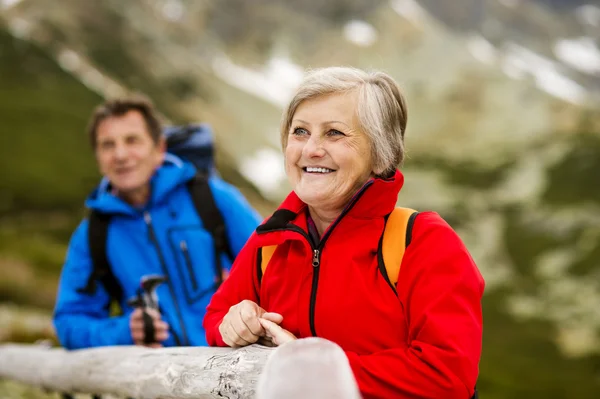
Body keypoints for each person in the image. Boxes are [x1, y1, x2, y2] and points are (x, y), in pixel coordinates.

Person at [203, 67, 485, 399]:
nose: (311, 150)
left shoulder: (423, 241)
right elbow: (216, 319)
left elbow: (447, 375)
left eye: (335, 133)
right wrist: (236, 322)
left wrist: (316, 369)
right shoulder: (271, 240)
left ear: (381, 154)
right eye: (300, 132)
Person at [53, 96, 262, 349]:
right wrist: (123, 331)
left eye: (132, 140)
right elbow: (69, 322)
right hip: (158, 383)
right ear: (98, 158)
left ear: (159, 148)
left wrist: (244, 291)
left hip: (232, 368)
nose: (120, 154)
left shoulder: (212, 197)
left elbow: (277, 267)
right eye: (108, 145)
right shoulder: (92, 235)